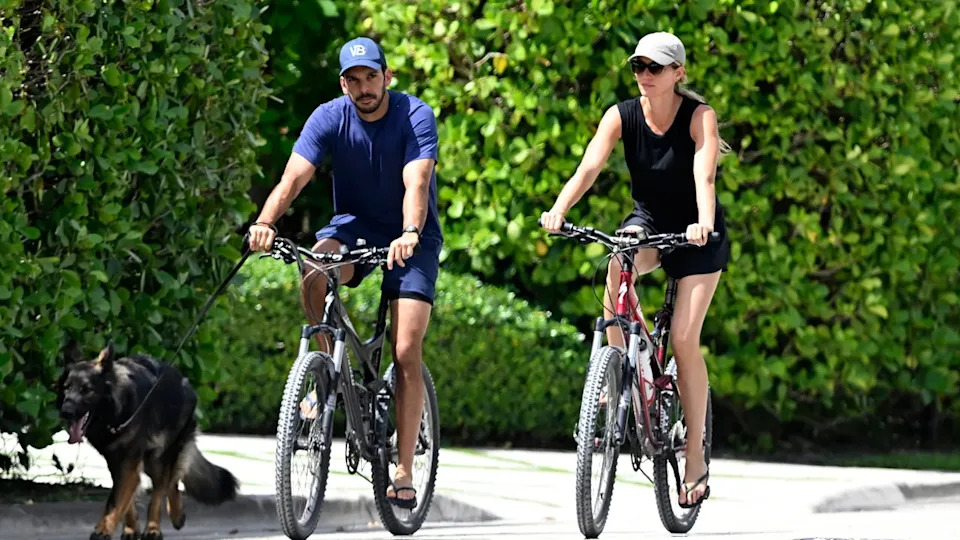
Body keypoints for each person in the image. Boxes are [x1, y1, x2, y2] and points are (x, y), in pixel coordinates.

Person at [247, 36, 443, 509]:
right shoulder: (329, 116)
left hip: (410, 237)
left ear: (386, 76)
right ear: (343, 84)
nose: (363, 88)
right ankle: (324, 374)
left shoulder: (414, 115)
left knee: (405, 350)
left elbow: (416, 181)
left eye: (371, 77)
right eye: (353, 80)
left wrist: (410, 230)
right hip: (354, 229)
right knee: (314, 269)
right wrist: (265, 222)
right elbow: (292, 178)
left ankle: (403, 467)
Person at [540, 31, 730, 508]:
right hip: (649, 222)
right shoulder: (620, 115)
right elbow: (589, 167)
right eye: (638, 67)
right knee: (619, 255)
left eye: (656, 68)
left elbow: (703, 175)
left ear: (678, 73)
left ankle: (694, 458)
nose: (645, 76)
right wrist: (559, 209)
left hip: (695, 233)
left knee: (684, 340)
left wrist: (703, 223)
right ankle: (618, 367)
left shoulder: (698, 116)